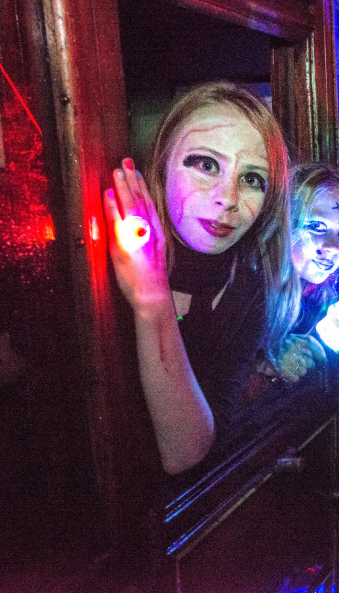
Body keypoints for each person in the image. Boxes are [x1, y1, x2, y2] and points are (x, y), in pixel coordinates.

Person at [102, 82, 299, 475]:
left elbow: (186, 451)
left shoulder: (248, 288)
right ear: (160, 165)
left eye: (252, 179)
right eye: (206, 165)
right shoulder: (97, 262)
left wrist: (150, 296)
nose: (228, 197)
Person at [252, 163, 339, 385]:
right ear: (283, 224)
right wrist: (266, 360)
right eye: (317, 226)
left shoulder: (325, 301)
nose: (333, 247)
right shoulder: (246, 293)